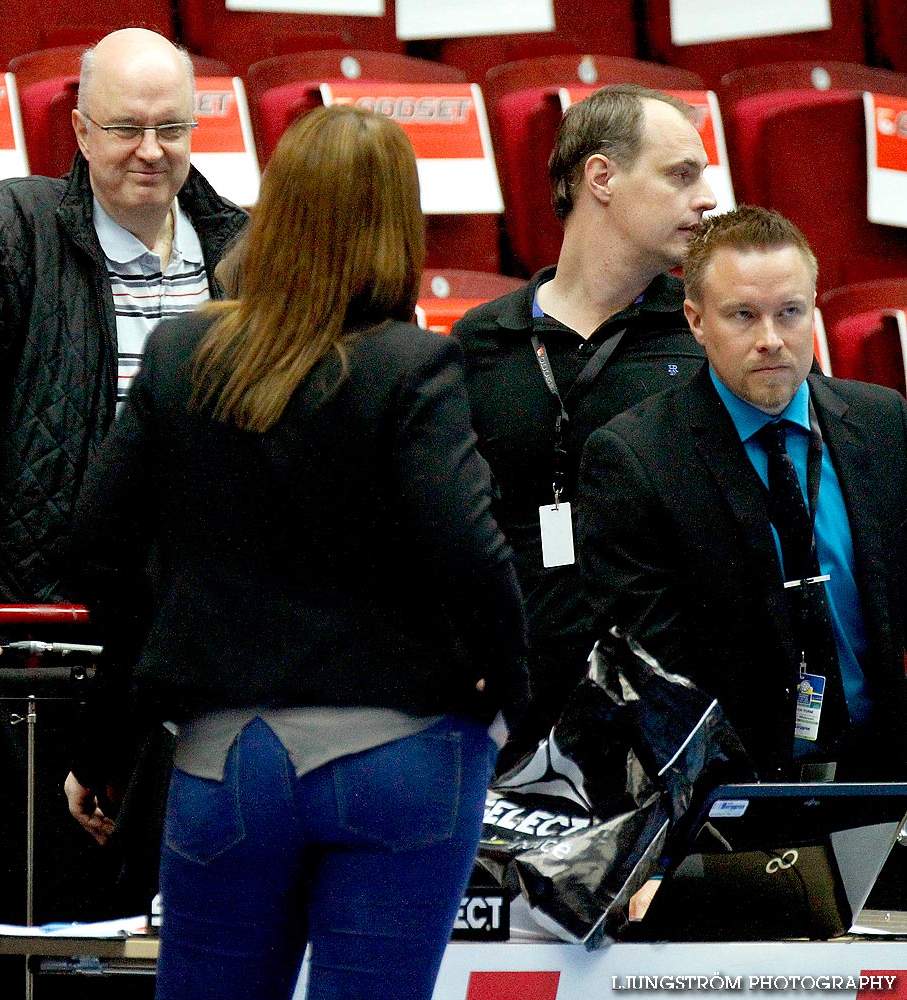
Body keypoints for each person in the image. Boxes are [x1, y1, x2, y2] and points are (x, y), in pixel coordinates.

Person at [64, 104, 529, 1000]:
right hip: (406, 760)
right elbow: (474, 557)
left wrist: (121, 724)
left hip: (221, 761)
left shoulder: (182, 351)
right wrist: (504, 698)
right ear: (398, 223)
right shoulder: (412, 365)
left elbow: (94, 550)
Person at [0, 28, 247, 645]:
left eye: (171, 129)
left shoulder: (245, 254)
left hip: (191, 633)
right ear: (82, 131)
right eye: (126, 128)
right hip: (26, 634)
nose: (151, 150)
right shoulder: (7, 230)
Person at [578, 206, 907, 785]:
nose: (771, 340)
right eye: (743, 317)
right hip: (734, 791)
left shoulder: (884, 424)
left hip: (881, 767)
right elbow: (657, 674)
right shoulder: (635, 459)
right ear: (696, 321)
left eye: (790, 313)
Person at [452, 84, 717, 752]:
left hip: (668, 716)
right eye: (681, 175)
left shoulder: (708, 337)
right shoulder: (481, 342)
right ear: (602, 177)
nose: (707, 197)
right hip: (509, 718)